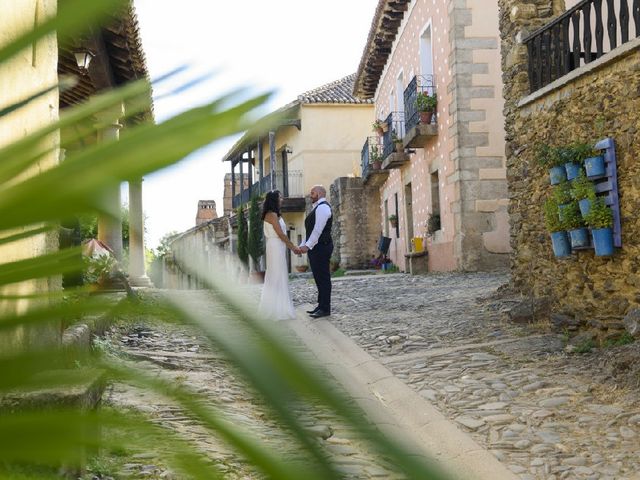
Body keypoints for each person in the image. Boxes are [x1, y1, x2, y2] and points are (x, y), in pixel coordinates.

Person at [258, 190, 299, 321]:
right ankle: (276, 309)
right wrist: (292, 247)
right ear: (274, 200)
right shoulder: (271, 215)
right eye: (279, 197)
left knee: (279, 274)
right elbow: (281, 234)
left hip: (277, 246)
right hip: (275, 245)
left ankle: (279, 306)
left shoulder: (275, 215)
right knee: (276, 275)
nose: (282, 199)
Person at [298, 185, 333, 318]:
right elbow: (309, 231)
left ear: (319, 194)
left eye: (312, 193)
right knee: (318, 278)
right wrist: (303, 245)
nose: (310, 195)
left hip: (322, 247)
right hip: (316, 247)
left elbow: (318, 230)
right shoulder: (317, 208)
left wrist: (307, 246)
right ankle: (321, 305)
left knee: (323, 278)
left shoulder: (323, 207)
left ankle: (325, 308)